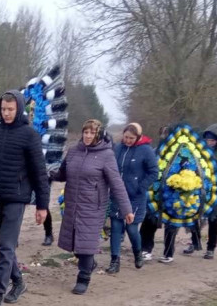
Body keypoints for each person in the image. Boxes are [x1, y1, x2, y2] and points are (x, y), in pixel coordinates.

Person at [0, 91, 50, 306]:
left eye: (10, 109)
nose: (7, 113)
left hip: (16, 199)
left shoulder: (29, 135)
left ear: (18, 108)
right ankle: (18, 281)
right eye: (3, 109)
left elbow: (39, 173)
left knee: (6, 247)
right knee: (2, 246)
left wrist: (42, 205)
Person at [50, 119, 133, 295]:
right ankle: (89, 264)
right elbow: (62, 173)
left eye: (92, 133)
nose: (88, 136)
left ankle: (84, 277)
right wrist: (48, 173)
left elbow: (116, 183)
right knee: (74, 242)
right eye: (85, 132)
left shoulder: (106, 155)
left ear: (99, 134)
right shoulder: (73, 151)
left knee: (86, 244)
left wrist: (127, 209)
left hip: (93, 206)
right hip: (72, 203)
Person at [107, 122, 158, 273]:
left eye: (131, 138)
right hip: (117, 194)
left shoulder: (146, 150)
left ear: (138, 137)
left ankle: (138, 253)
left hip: (135, 196)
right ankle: (114, 261)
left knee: (131, 228)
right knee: (116, 228)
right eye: (126, 137)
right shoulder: (118, 148)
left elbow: (154, 172)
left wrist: (141, 187)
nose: (128, 140)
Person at [184, 124, 217, 259]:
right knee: (194, 217)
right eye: (207, 140)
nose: (209, 143)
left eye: (212, 140)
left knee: (213, 220)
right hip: (199, 189)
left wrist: (211, 174)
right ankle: (194, 242)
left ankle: (211, 248)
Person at [139, 126, 169, 260]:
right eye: (163, 133)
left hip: (171, 193)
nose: (164, 136)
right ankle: (145, 249)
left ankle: (169, 253)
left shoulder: (181, 153)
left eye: (167, 134)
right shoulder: (154, 151)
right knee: (148, 222)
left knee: (171, 226)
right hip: (153, 192)